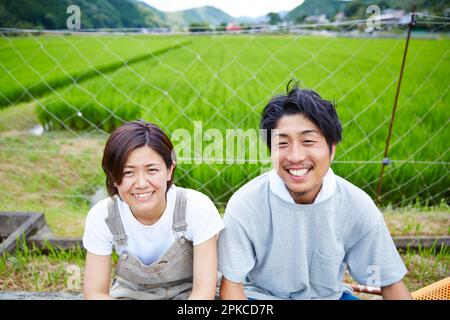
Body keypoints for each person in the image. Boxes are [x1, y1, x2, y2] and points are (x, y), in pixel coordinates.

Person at [218, 81, 412, 300]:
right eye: (282, 144)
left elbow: (390, 283)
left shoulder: (356, 204)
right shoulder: (246, 204)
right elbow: (232, 288)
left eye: (308, 141)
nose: (295, 156)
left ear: (332, 148)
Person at [83, 120, 224, 299]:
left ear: (169, 170)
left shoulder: (196, 207)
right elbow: (95, 293)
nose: (141, 184)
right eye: (128, 172)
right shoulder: (103, 216)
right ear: (113, 176)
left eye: (152, 170)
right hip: (132, 294)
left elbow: (203, 292)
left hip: (189, 293)